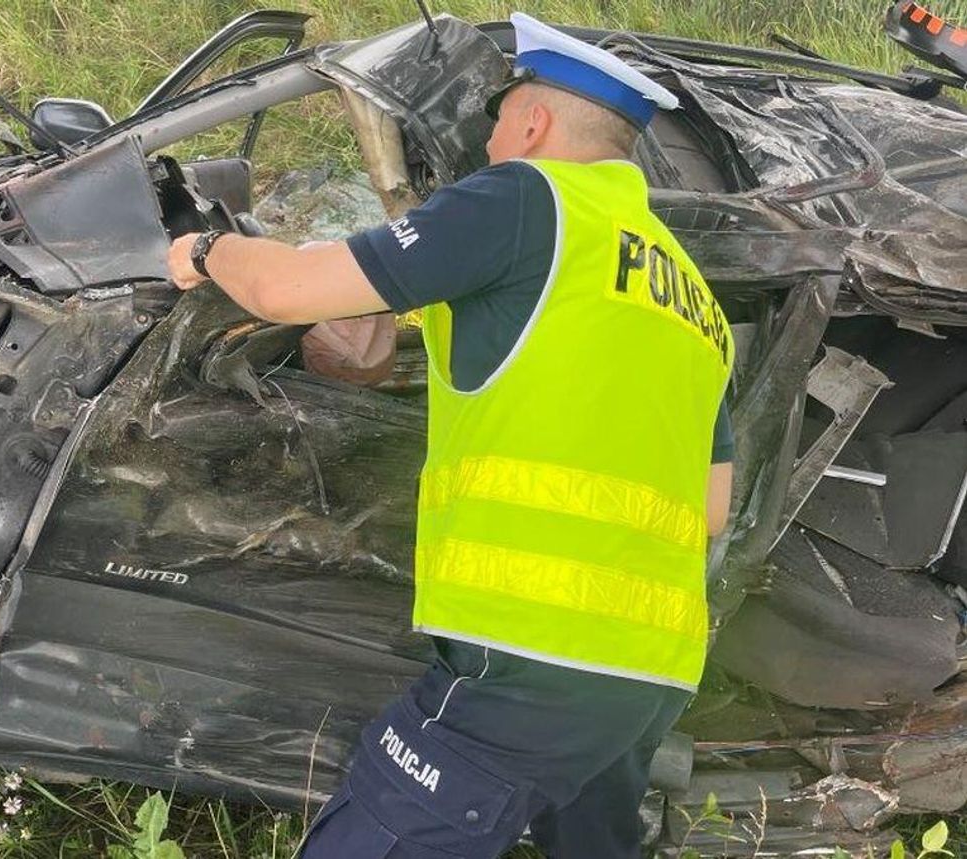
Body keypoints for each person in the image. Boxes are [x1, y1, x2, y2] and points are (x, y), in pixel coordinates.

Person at [167, 12, 735, 857]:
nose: (491, 142)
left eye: (499, 120)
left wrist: (207, 251)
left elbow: (285, 291)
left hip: (527, 658)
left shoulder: (524, 199)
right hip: (651, 669)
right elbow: (712, 507)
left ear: (534, 123)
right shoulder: (693, 298)